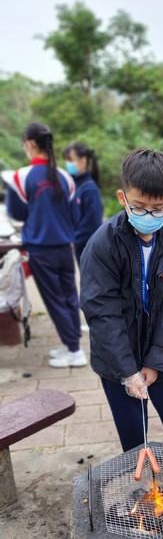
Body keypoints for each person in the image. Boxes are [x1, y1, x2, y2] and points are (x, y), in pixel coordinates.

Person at [80, 147, 163, 452]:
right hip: (116, 356)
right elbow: (102, 312)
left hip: (160, 349)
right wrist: (127, 371)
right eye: (139, 207)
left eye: (157, 208)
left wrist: (157, 361)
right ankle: (140, 474)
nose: (148, 215)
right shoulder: (102, 245)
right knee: (133, 426)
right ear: (123, 198)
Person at [4, 121, 86, 367]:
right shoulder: (66, 177)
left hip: (40, 250)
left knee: (55, 300)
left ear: (30, 144)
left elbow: (16, 214)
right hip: (64, 248)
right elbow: (75, 216)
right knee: (69, 296)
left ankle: (74, 351)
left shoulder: (20, 177)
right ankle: (71, 344)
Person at [63, 141, 103, 265]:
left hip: (88, 248)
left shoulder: (90, 189)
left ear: (83, 161)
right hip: (79, 246)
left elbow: (92, 222)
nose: (68, 164)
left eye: (71, 160)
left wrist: (74, 239)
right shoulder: (73, 184)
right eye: (67, 160)